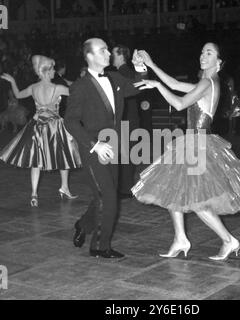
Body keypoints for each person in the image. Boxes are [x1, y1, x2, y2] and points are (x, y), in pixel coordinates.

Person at [132, 43, 240, 261]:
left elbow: (180, 103)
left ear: (218, 63)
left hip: (199, 144)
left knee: (197, 200)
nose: (203, 55)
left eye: (209, 53)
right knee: (174, 190)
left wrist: (156, 86)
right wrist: (151, 64)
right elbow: (174, 83)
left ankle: (228, 240)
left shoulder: (208, 82)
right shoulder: (206, 82)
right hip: (192, 142)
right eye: (202, 51)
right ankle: (181, 239)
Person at [64, 38, 147, 259]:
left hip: (114, 146)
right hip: (93, 150)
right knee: (109, 196)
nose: (108, 53)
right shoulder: (80, 87)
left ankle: (83, 224)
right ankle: (99, 247)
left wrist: (140, 68)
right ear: (90, 56)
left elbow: (138, 87)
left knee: (104, 195)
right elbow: (70, 121)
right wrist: (94, 145)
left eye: (108, 49)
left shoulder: (115, 77)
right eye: (103, 50)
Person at [0, 55, 81, 207]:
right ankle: (64, 187)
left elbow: (17, 95)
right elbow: (77, 93)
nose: (54, 72)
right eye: (52, 69)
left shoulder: (33, 88)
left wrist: (12, 81)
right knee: (64, 157)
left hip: (37, 126)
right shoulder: (58, 88)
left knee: (35, 161)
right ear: (47, 71)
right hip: (54, 126)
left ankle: (34, 194)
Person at [112, 44, 141, 198]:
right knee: (126, 153)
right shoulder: (123, 72)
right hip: (128, 118)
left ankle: (125, 188)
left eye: (113, 53)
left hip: (127, 119)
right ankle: (124, 187)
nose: (111, 56)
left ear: (121, 55)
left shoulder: (124, 72)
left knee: (126, 153)